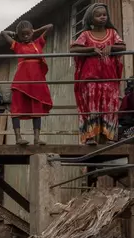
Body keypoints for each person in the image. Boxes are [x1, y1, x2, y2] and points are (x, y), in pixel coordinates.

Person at [70, 3, 126, 145]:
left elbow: (123, 46)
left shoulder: (112, 33)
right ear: (90, 18)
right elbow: (73, 49)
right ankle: (89, 137)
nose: (102, 17)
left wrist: (111, 47)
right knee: (91, 107)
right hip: (89, 79)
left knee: (109, 107)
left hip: (109, 78)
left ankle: (107, 137)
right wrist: (91, 49)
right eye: (98, 15)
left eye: (104, 15)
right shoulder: (85, 35)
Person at [1, 22, 54, 146]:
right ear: (19, 36)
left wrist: (35, 30)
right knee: (16, 109)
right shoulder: (17, 46)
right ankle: (18, 137)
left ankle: (37, 138)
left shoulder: (38, 43)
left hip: (36, 81)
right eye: (22, 34)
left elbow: (50, 26)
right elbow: (3, 34)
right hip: (21, 82)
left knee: (37, 110)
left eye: (28, 33)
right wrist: (14, 33)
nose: (25, 36)